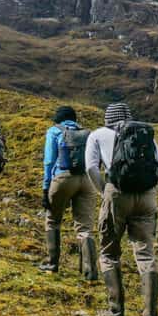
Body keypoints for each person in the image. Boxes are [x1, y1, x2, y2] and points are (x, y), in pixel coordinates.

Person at [85, 102, 158, 316]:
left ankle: (116, 311)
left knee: (109, 251)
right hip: (147, 196)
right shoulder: (143, 133)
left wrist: (105, 190)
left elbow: (91, 167)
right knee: (145, 252)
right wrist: (150, 189)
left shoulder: (98, 134)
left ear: (107, 118)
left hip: (117, 193)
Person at [39, 105, 99, 280]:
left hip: (63, 178)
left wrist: (45, 188)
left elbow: (49, 161)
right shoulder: (88, 133)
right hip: (87, 181)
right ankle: (90, 272)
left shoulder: (54, 131)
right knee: (85, 227)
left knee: (52, 220)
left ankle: (52, 264)